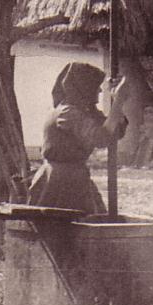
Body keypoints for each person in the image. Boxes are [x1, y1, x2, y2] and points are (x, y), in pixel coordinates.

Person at [27, 62, 130, 214]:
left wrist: (117, 99)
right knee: (65, 225)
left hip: (74, 177)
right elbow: (101, 138)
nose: (100, 90)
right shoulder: (67, 113)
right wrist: (119, 101)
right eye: (95, 85)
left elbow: (115, 131)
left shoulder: (84, 111)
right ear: (84, 87)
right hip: (60, 181)